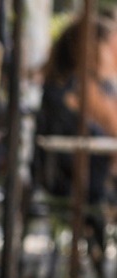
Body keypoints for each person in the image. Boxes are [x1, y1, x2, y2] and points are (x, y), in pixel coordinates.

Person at [35, 15, 117, 205]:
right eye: (113, 47)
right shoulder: (80, 88)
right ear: (95, 49)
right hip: (77, 191)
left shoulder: (81, 85)